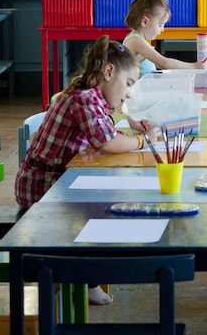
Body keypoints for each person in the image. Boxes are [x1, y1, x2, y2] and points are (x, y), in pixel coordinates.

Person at [14, 36, 151, 305]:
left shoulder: (91, 95)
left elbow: (111, 119)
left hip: (57, 180)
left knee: (108, 201)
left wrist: (130, 119)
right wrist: (143, 141)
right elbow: (107, 141)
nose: (128, 93)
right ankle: (85, 278)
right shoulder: (84, 99)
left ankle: (86, 276)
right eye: (128, 84)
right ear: (109, 72)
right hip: (43, 187)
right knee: (103, 209)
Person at [123, 0, 201, 75]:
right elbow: (164, 63)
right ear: (145, 22)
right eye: (160, 25)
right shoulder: (136, 40)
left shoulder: (138, 38)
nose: (162, 29)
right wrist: (194, 66)